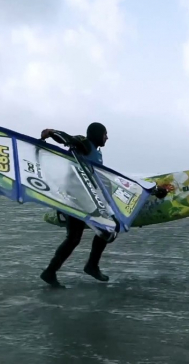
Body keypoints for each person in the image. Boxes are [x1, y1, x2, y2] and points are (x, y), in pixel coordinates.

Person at [38, 122, 168, 288]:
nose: (107, 137)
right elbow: (70, 140)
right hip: (76, 198)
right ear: (97, 134)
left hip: (88, 199)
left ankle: (71, 268)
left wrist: (152, 190)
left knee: (92, 234)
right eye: (105, 133)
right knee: (83, 236)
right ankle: (71, 268)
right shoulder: (84, 144)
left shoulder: (96, 154)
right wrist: (51, 133)